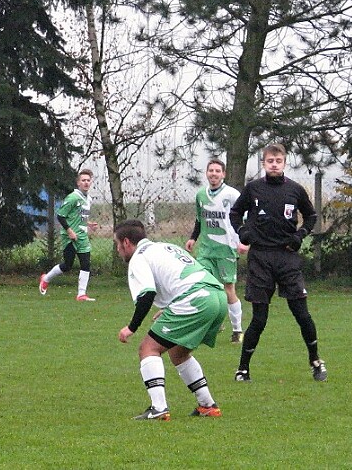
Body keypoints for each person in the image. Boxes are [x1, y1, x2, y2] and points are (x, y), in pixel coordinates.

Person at [229, 143, 326, 382]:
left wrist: (299, 236)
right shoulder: (253, 189)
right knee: (259, 319)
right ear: (263, 163)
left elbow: (311, 216)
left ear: (284, 163)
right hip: (260, 258)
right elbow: (234, 213)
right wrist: (243, 231)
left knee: (302, 313)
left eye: (278, 161)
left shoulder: (295, 189)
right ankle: (243, 369)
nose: (274, 164)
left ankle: (316, 362)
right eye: (270, 161)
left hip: (287, 258)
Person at [114, 219, 227, 421]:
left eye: (117, 245)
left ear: (126, 242)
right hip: (215, 294)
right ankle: (207, 405)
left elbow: (146, 295)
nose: (118, 250)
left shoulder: (139, 258)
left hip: (196, 299)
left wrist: (131, 327)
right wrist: (171, 307)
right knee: (178, 351)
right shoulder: (165, 246)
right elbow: (182, 277)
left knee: (148, 349)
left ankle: (159, 409)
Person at [185, 159, 249, 344]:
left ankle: (237, 330)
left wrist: (244, 241)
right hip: (206, 249)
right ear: (206, 173)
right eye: (211, 170)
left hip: (226, 249)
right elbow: (200, 219)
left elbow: (245, 218)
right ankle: (215, 322)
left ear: (223, 174)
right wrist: (192, 238)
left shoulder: (232, 194)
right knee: (205, 286)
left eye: (217, 171)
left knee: (228, 289)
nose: (213, 174)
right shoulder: (200, 195)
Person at [39, 169, 99, 301]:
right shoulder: (73, 197)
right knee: (67, 265)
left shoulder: (87, 199)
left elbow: (78, 216)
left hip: (82, 236)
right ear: (78, 183)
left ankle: (81, 294)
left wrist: (88, 224)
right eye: (83, 180)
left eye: (88, 180)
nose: (86, 183)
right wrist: (69, 231)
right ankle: (46, 278)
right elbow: (61, 216)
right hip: (70, 237)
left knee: (86, 263)